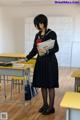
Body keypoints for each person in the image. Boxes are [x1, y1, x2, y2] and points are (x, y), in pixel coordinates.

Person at [23, 14, 59, 115]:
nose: (36, 26)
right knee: (43, 84)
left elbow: (56, 48)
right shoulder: (37, 35)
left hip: (50, 62)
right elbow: (35, 49)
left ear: (42, 23)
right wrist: (27, 58)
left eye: (37, 24)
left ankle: (51, 107)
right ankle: (45, 105)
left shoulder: (52, 34)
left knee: (50, 85)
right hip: (40, 62)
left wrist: (46, 51)